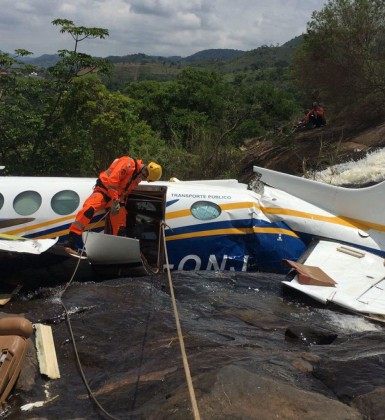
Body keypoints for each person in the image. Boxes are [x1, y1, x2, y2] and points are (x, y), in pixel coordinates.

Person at [63, 156, 162, 253]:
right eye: (145, 174)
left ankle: (116, 250)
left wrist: (119, 202)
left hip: (116, 199)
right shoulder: (128, 163)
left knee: (120, 225)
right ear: (145, 169)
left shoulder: (137, 177)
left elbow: (125, 191)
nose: (143, 178)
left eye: (145, 178)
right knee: (88, 210)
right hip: (103, 191)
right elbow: (112, 181)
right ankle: (71, 241)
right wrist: (115, 200)